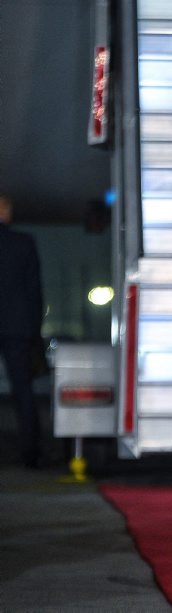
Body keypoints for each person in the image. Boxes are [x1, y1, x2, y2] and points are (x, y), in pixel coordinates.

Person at [0, 194, 44, 468]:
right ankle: (30, 452)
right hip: (17, 326)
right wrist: (35, 330)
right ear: (5, 212)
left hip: (15, 325)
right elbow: (33, 290)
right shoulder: (24, 242)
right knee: (23, 390)